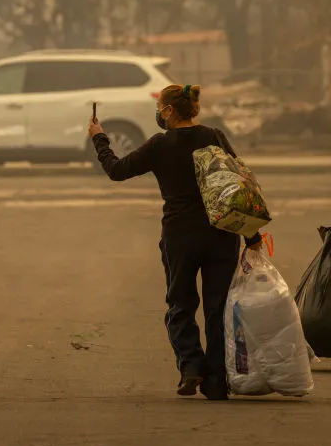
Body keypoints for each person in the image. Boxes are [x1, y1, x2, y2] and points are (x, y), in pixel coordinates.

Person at [89, 84, 262, 400]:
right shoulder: (213, 136)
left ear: (168, 111)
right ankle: (216, 382)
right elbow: (239, 184)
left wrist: (99, 138)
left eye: (160, 107)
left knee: (180, 304)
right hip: (220, 233)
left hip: (180, 235)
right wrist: (251, 234)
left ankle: (191, 366)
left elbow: (116, 170)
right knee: (217, 307)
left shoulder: (159, 145)